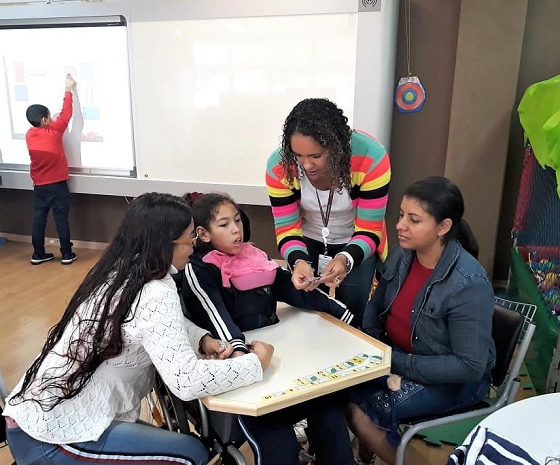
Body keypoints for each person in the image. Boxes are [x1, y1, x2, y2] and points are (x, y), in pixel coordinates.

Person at [3, 192, 274, 465]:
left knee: (185, 446)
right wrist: (255, 363)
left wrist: (201, 339)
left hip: (41, 416)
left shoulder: (124, 269)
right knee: (190, 455)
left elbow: (145, 324)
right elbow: (186, 381)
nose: (193, 247)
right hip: (52, 436)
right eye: (189, 238)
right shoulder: (154, 291)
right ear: (166, 244)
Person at [181, 192, 355, 465]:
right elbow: (217, 317)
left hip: (275, 354)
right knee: (276, 434)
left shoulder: (253, 256)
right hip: (239, 367)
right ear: (203, 234)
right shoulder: (199, 270)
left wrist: (339, 312)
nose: (236, 229)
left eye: (237, 220)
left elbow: (291, 287)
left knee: (330, 410)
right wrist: (240, 351)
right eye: (224, 224)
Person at [344, 176, 495, 465]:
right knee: (335, 391)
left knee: (363, 409)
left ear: (443, 227)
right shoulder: (403, 255)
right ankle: (367, 454)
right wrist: (371, 343)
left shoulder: (469, 283)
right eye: (401, 215)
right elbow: (376, 306)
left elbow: (470, 366)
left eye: (414, 220)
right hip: (399, 357)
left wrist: (391, 362)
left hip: (453, 380)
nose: (400, 225)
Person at [266, 98, 391, 327]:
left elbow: (369, 229)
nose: (306, 165)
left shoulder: (371, 157)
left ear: (337, 148)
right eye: (298, 155)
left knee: (353, 317)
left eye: (316, 156)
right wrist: (298, 260)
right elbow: (286, 228)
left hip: (357, 245)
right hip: (308, 241)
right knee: (308, 313)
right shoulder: (279, 166)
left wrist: (346, 258)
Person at [25, 74, 77, 266]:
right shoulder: (54, 131)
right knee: (61, 220)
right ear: (46, 120)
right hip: (57, 185)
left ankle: (38, 254)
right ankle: (66, 254)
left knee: (39, 220)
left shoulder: (30, 135)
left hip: (39, 186)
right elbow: (66, 113)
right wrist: (68, 89)